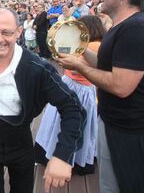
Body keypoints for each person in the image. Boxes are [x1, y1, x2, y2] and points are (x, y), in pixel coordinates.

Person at [0, 8, 86, 193]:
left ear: (19, 32)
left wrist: (62, 155)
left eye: (6, 32)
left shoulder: (38, 68)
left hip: (20, 146)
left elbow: (72, 107)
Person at [58, 0, 144, 193]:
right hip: (119, 125)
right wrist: (81, 51)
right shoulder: (124, 26)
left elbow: (120, 86)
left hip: (134, 130)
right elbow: (109, 68)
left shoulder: (137, 29)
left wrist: (79, 65)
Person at [35, 15, 106, 176]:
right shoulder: (89, 44)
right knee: (62, 122)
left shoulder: (94, 45)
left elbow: (78, 66)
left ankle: (64, 157)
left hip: (80, 88)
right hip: (71, 84)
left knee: (69, 124)